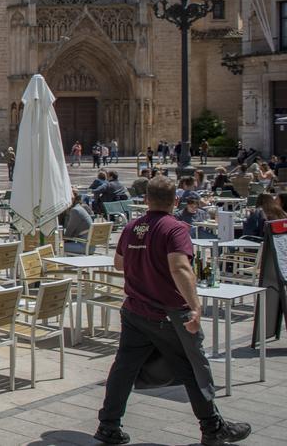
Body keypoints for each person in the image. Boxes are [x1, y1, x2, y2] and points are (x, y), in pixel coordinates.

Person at [94, 176, 250, 446]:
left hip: (134, 310)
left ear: (145, 200)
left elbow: (119, 264)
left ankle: (108, 425)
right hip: (168, 314)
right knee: (192, 367)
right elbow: (179, 267)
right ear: (175, 201)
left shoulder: (132, 227)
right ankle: (212, 428)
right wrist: (195, 307)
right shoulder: (174, 229)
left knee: (124, 368)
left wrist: (142, 262)